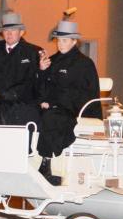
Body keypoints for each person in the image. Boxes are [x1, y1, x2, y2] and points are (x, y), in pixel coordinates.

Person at [37, 20, 101, 182]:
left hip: (73, 109)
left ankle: (47, 162)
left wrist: (54, 103)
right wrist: (42, 72)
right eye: (58, 40)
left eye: (64, 40)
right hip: (54, 107)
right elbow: (43, 87)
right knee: (28, 113)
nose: (60, 44)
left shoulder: (84, 64)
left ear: (74, 41)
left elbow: (84, 94)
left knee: (51, 118)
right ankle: (29, 159)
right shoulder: (52, 61)